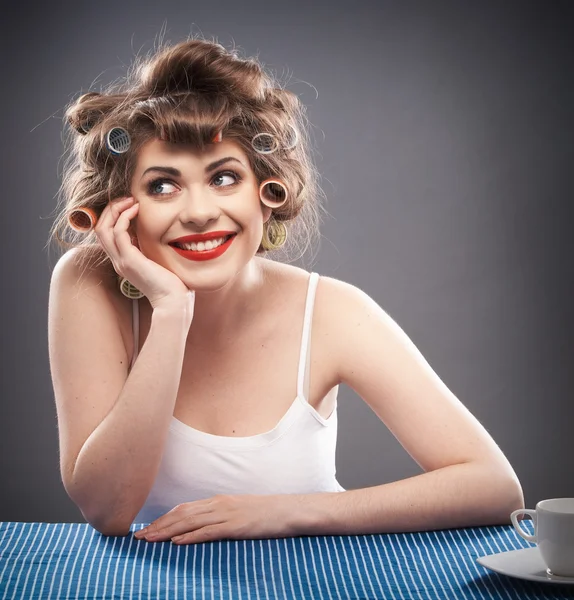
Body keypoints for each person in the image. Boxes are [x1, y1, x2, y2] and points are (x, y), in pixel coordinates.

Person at [47, 36, 524, 545]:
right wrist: (169, 312)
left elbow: (493, 486)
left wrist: (283, 512)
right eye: (163, 185)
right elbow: (109, 510)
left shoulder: (334, 311)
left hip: (314, 573)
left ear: (267, 194)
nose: (200, 212)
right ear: (123, 207)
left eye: (225, 178)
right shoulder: (86, 282)